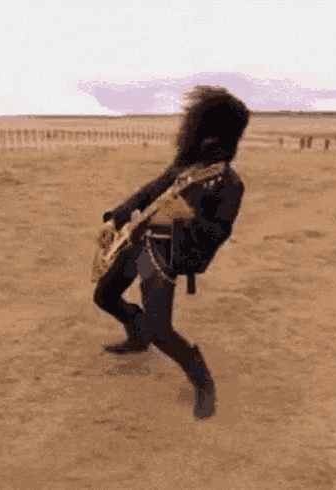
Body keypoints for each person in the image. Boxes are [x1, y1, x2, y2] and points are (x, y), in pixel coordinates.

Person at [93, 86, 250, 420]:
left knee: (161, 331)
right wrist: (116, 218)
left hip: (165, 255)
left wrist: (185, 218)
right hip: (138, 241)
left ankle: (202, 379)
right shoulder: (185, 169)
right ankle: (137, 332)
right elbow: (149, 191)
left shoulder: (229, 184)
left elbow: (217, 234)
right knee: (105, 296)